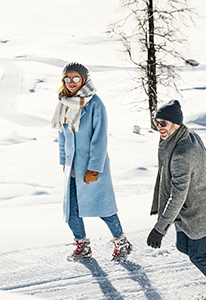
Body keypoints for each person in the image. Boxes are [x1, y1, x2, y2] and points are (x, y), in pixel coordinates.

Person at [146, 100, 206, 300]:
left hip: (201, 209)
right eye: (157, 122)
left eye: (164, 123)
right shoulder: (188, 135)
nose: (159, 127)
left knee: (198, 254)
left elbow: (177, 195)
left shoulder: (182, 152)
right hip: (191, 208)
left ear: (176, 123)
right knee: (183, 246)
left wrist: (159, 228)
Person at [52, 62, 132, 261]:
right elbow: (62, 136)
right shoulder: (63, 103)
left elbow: (100, 139)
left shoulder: (95, 104)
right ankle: (82, 245)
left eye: (76, 78)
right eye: (67, 78)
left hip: (91, 166)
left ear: (84, 80)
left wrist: (94, 168)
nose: (71, 82)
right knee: (70, 209)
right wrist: (63, 160)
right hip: (72, 166)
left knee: (102, 207)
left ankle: (121, 242)